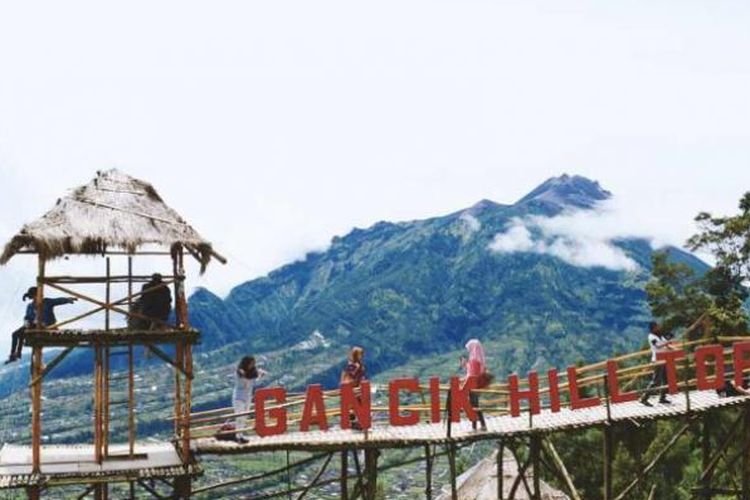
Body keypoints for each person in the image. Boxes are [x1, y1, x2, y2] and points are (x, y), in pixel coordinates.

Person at [7, 287, 77, 364]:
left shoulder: (46, 302)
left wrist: (68, 299)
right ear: (34, 296)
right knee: (15, 334)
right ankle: (14, 354)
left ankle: (17, 354)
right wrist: (26, 322)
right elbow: (27, 317)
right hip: (34, 326)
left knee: (25, 332)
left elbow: (57, 300)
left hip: (47, 326)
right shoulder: (30, 306)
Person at [231, 356, 267, 444]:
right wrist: (257, 376)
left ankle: (241, 435)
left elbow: (252, 383)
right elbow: (245, 384)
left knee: (244, 417)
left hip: (247, 397)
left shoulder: (252, 373)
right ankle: (237, 436)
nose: (252, 365)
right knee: (239, 417)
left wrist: (259, 376)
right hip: (239, 397)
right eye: (251, 363)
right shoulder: (239, 373)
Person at [640, 321, 674, 406]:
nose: (659, 327)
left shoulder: (659, 335)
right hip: (657, 360)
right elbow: (658, 346)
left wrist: (669, 345)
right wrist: (667, 343)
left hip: (664, 359)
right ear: (653, 328)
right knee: (656, 380)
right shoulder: (651, 337)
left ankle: (662, 397)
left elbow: (664, 343)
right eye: (657, 326)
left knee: (665, 379)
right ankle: (644, 398)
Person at [461, 339, 487, 431]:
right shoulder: (478, 360)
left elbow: (471, 376)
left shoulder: (474, 360)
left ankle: (477, 426)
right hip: (476, 386)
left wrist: (464, 381)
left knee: (473, 406)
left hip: (472, 386)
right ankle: (479, 425)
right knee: (474, 406)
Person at [340, 346, 366, 430]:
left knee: (358, 405)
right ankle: (354, 424)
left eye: (362, 354)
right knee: (354, 406)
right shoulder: (351, 365)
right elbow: (350, 376)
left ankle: (357, 423)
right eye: (360, 354)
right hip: (352, 388)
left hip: (357, 387)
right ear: (355, 354)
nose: (361, 356)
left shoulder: (358, 364)